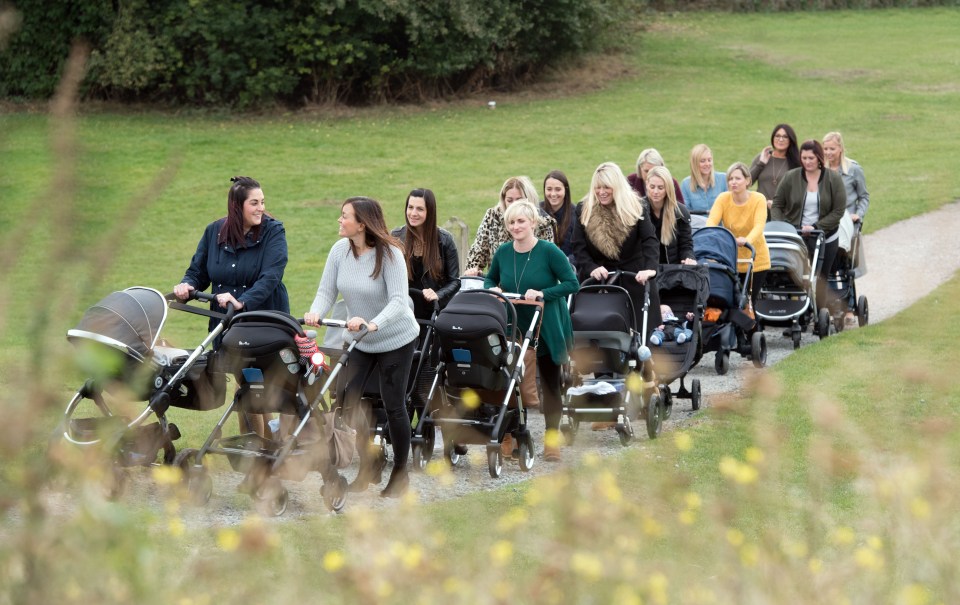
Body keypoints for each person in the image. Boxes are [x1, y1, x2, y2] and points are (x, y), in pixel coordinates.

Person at [304, 197, 420, 498]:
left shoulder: (391, 254)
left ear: (362, 224)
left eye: (345, 217)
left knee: (394, 405)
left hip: (395, 338)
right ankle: (370, 464)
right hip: (360, 340)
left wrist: (373, 323)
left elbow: (398, 301)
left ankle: (400, 473)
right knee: (348, 400)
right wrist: (315, 312)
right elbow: (325, 291)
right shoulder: (339, 251)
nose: (340, 221)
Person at [174, 176, 288, 441]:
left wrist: (243, 300)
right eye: (254, 203)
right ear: (237, 207)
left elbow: (271, 276)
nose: (261, 208)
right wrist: (186, 285)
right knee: (246, 383)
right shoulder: (214, 232)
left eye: (262, 202)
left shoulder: (273, 231)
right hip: (226, 323)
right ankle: (260, 449)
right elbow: (198, 272)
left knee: (255, 386)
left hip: (263, 320)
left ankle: (257, 451)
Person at [484, 201, 579, 462]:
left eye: (521, 221)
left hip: (546, 323)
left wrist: (543, 294)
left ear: (533, 223)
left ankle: (551, 440)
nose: (516, 227)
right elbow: (490, 278)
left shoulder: (549, 251)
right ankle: (509, 435)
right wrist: (493, 289)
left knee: (549, 384)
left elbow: (572, 283)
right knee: (510, 381)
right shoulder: (503, 252)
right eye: (512, 223)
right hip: (515, 322)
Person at [571, 161, 662, 336]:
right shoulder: (584, 209)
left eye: (607, 187)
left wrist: (650, 269)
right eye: (597, 188)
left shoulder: (637, 206)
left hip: (633, 275)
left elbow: (650, 241)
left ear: (617, 186)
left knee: (641, 327)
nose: (601, 192)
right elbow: (578, 246)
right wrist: (591, 268)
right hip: (599, 276)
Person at [771, 140, 846, 310]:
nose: (807, 162)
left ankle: (820, 314)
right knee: (794, 276)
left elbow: (838, 210)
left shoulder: (833, 179)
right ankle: (795, 313)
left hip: (824, 235)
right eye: (804, 158)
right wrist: (783, 227)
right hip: (795, 235)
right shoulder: (791, 177)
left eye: (811, 158)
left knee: (821, 277)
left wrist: (816, 226)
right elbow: (777, 205)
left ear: (819, 158)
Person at [706, 162, 771, 308]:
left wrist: (747, 240)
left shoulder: (758, 199)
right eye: (730, 179)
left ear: (748, 180)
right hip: (731, 259)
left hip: (756, 261)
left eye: (737, 178)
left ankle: (752, 329)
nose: (733, 182)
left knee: (748, 303)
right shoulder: (723, 199)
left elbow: (759, 225)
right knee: (731, 301)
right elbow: (712, 221)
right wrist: (711, 235)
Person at [463, 176, 557, 276]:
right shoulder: (493, 216)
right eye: (509, 200)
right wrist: (473, 270)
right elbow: (477, 252)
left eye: (519, 200)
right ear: (504, 200)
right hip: (497, 286)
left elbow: (548, 262)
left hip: (532, 284)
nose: (514, 205)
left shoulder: (543, 223)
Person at [391, 188, 461, 320]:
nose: (413, 213)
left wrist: (438, 294)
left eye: (420, 209)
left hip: (434, 310)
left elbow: (455, 281)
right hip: (403, 309)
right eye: (410, 207)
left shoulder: (445, 240)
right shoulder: (396, 237)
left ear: (430, 211)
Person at [641, 165, 697, 266]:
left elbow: (686, 245)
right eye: (652, 187)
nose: (655, 192)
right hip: (645, 269)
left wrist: (689, 258)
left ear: (668, 188)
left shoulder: (680, 212)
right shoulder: (637, 210)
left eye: (660, 188)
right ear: (646, 185)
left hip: (672, 270)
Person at [750, 123, 801, 209]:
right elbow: (747, 182)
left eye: (785, 137)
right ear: (773, 138)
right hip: (760, 210)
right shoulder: (762, 157)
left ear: (790, 140)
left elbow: (799, 192)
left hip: (784, 212)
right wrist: (761, 164)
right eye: (777, 136)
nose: (781, 139)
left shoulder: (796, 162)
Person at [823, 131, 870, 223]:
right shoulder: (820, 170)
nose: (828, 152)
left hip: (847, 221)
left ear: (840, 148)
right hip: (826, 221)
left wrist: (858, 214)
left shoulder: (854, 169)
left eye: (832, 149)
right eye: (825, 149)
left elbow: (864, 196)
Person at [680, 144, 727, 216]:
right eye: (702, 161)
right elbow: (685, 213)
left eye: (709, 160)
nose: (707, 164)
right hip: (698, 226)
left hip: (719, 227)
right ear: (694, 163)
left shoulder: (723, 179)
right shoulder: (686, 184)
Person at [541, 170, 576, 259]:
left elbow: (579, 250)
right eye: (549, 189)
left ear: (566, 189)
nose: (553, 194)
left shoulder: (576, 214)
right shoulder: (537, 212)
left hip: (569, 266)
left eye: (558, 189)